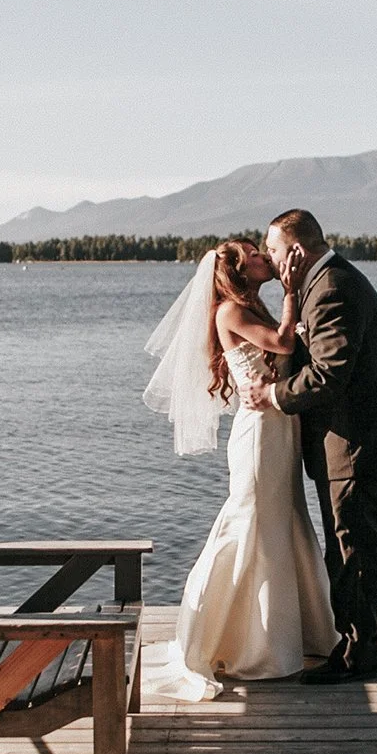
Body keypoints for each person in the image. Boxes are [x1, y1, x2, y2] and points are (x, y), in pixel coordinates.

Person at [139, 238, 338, 700]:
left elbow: (289, 352)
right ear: (235, 268)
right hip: (260, 434)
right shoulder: (229, 311)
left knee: (283, 522)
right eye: (254, 253)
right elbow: (284, 342)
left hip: (280, 427)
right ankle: (231, 639)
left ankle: (295, 633)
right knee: (251, 524)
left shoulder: (254, 305)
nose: (263, 257)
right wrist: (291, 289)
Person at [242, 208, 377, 683]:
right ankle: (356, 643)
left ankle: (358, 656)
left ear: (295, 250)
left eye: (271, 249)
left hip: (353, 447)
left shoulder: (333, 287)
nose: (269, 259)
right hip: (345, 446)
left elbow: (329, 375)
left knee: (354, 550)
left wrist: (270, 394)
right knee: (347, 549)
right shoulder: (321, 284)